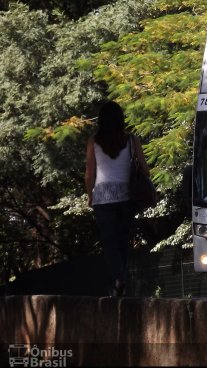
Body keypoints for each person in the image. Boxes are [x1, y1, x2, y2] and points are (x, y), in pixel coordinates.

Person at [84, 101, 151, 296]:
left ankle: (118, 280)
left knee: (110, 242)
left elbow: (89, 174)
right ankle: (121, 280)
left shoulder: (93, 142)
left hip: (103, 198)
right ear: (121, 120)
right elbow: (145, 170)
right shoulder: (131, 140)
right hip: (126, 198)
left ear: (101, 121)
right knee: (122, 241)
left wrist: (90, 196)